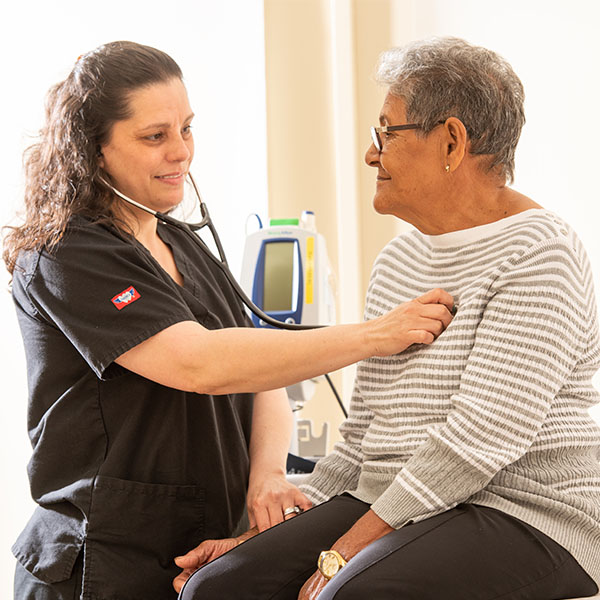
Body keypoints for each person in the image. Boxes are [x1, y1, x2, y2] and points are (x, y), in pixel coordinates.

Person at [2, 41, 455, 599]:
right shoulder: (67, 254)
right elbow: (201, 364)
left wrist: (266, 474)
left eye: (186, 129)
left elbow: (256, 367)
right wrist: (374, 336)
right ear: (94, 150)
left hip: (203, 551)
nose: (181, 152)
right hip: (103, 560)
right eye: (155, 137)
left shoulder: (180, 243)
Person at [174, 37, 600, 600]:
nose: (372, 154)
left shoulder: (542, 252)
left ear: (452, 141)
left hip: (525, 508)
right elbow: (363, 437)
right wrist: (263, 539)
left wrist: (342, 554)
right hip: (399, 497)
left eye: (386, 134)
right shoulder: (400, 259)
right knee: (218, 588)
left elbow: (477, 442)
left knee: (349, 595)